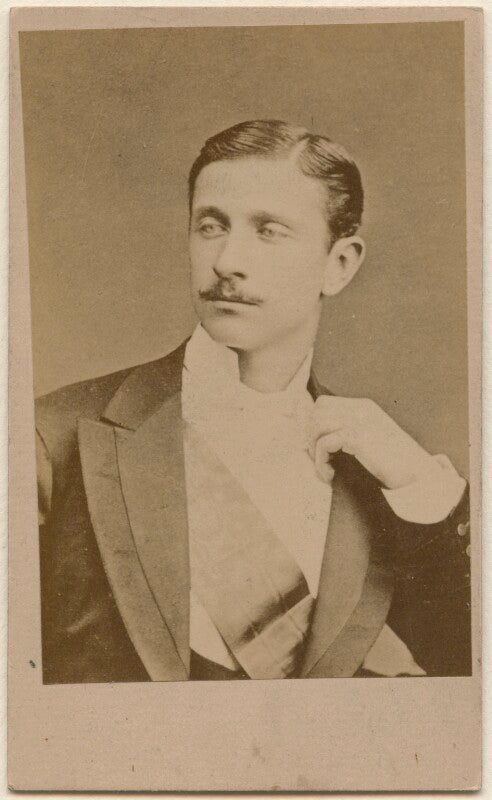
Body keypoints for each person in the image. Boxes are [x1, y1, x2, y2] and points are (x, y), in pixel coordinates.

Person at [35, 119, 471, 683]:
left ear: (339, 265)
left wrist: (422, 487)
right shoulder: (54, 438)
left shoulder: (377, 474)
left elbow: (467, 678)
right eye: (210, 226)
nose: (226, 260)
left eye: (269, 231)